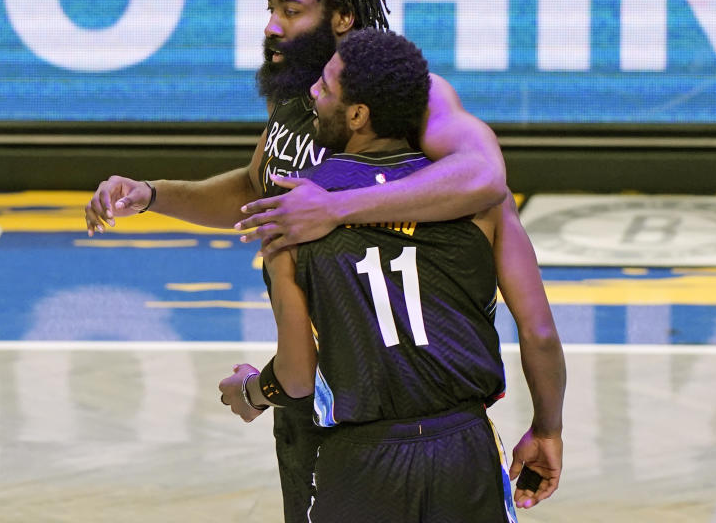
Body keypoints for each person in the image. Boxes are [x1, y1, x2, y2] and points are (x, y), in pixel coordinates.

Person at [84, 0, 509, 522]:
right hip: (317, 392)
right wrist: (154, 196)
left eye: (290, 11)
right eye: (270, 7)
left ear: (341, 19)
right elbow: (257, 192)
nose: (271, 26)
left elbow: (484, 173)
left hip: (394, 398)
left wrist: (339, 209)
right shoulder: (296, 101)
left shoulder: (410, 98)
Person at [219, 29, 565, 522]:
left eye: (325, 86)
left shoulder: (293, 216)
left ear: (358, 115)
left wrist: (252, 392)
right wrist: (547, 430)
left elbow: (297, 376)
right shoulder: (481, 204)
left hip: (359, 462)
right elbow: (540, 332)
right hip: (463, 452)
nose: (313, 92)